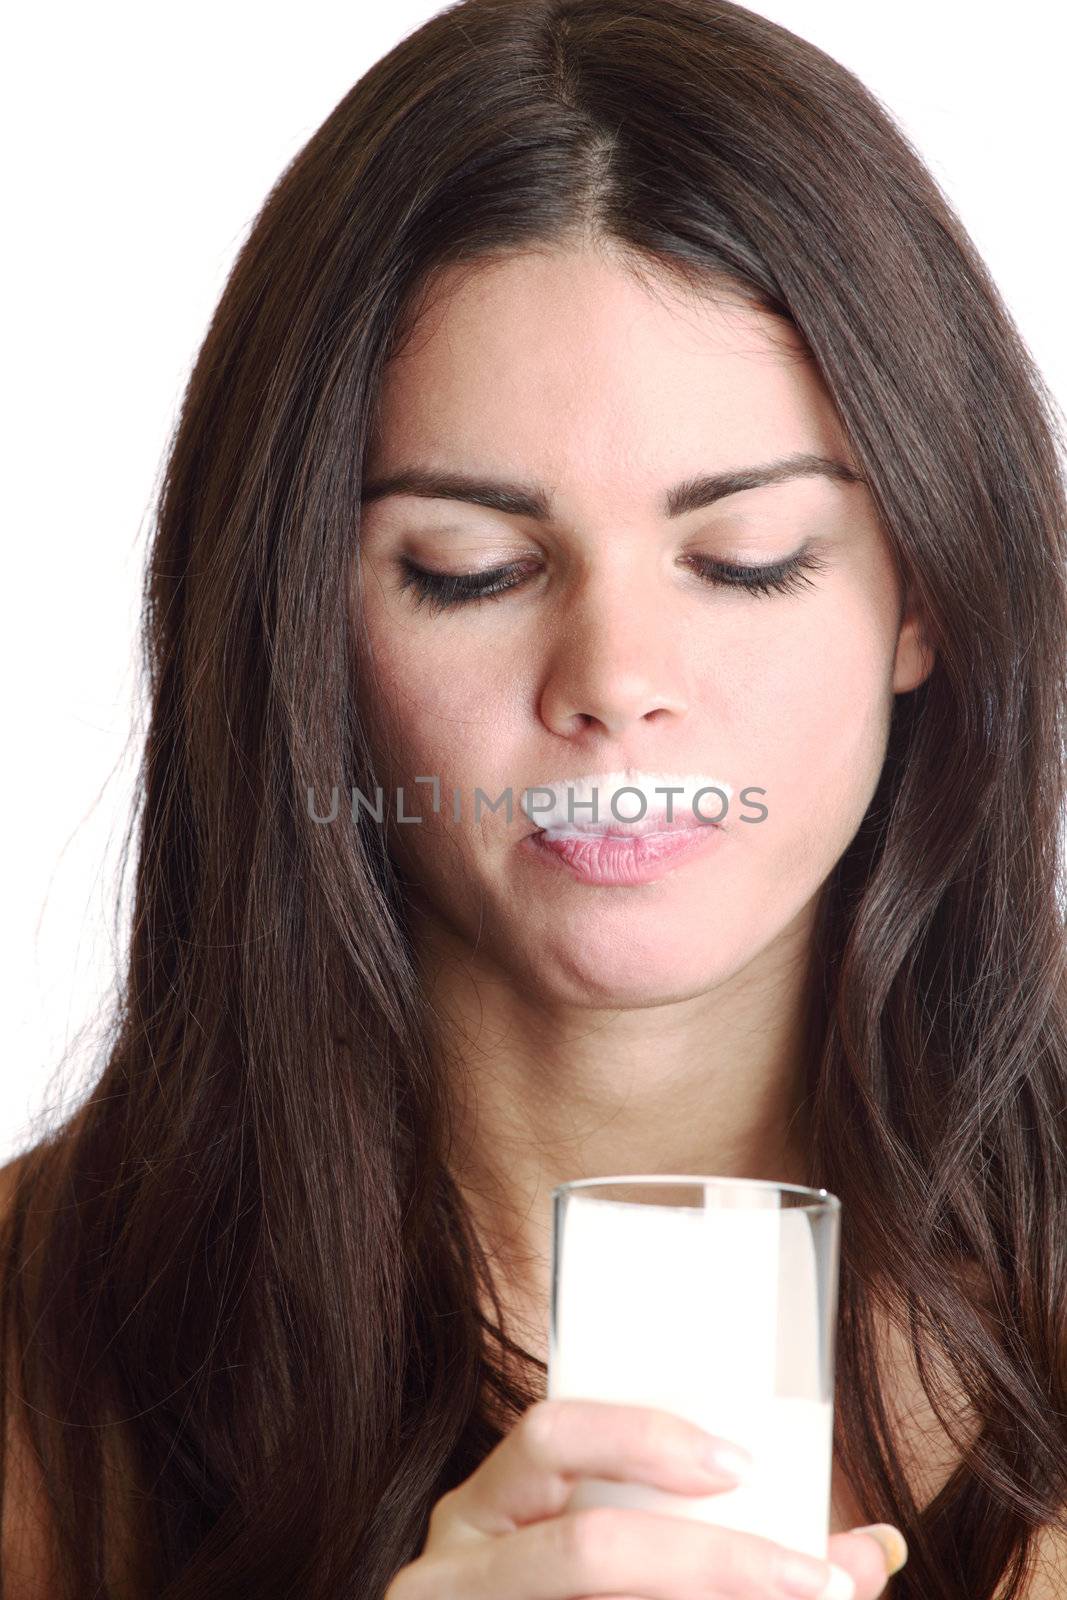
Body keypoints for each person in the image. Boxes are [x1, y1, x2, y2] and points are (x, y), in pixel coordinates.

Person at [3, 0, 1066, 1596]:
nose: (617, 677)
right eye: (471, 570)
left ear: (925, 593)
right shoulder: (37, 1352)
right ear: (306, 631)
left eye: (744, 558)